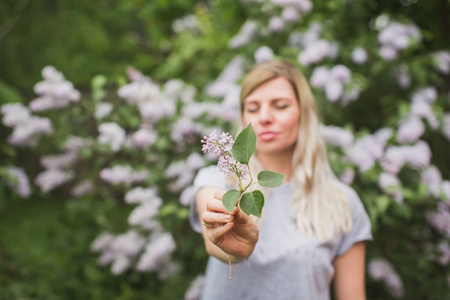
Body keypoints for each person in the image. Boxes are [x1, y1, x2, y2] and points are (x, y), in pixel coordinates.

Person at [189, 61, 372, 300]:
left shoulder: (343, 202)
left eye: (280, 105)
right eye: (253, 108)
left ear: (303, 113)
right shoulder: (219, 181)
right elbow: (215, 240)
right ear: (243, 117)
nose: (264, 117)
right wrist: (229, 244)